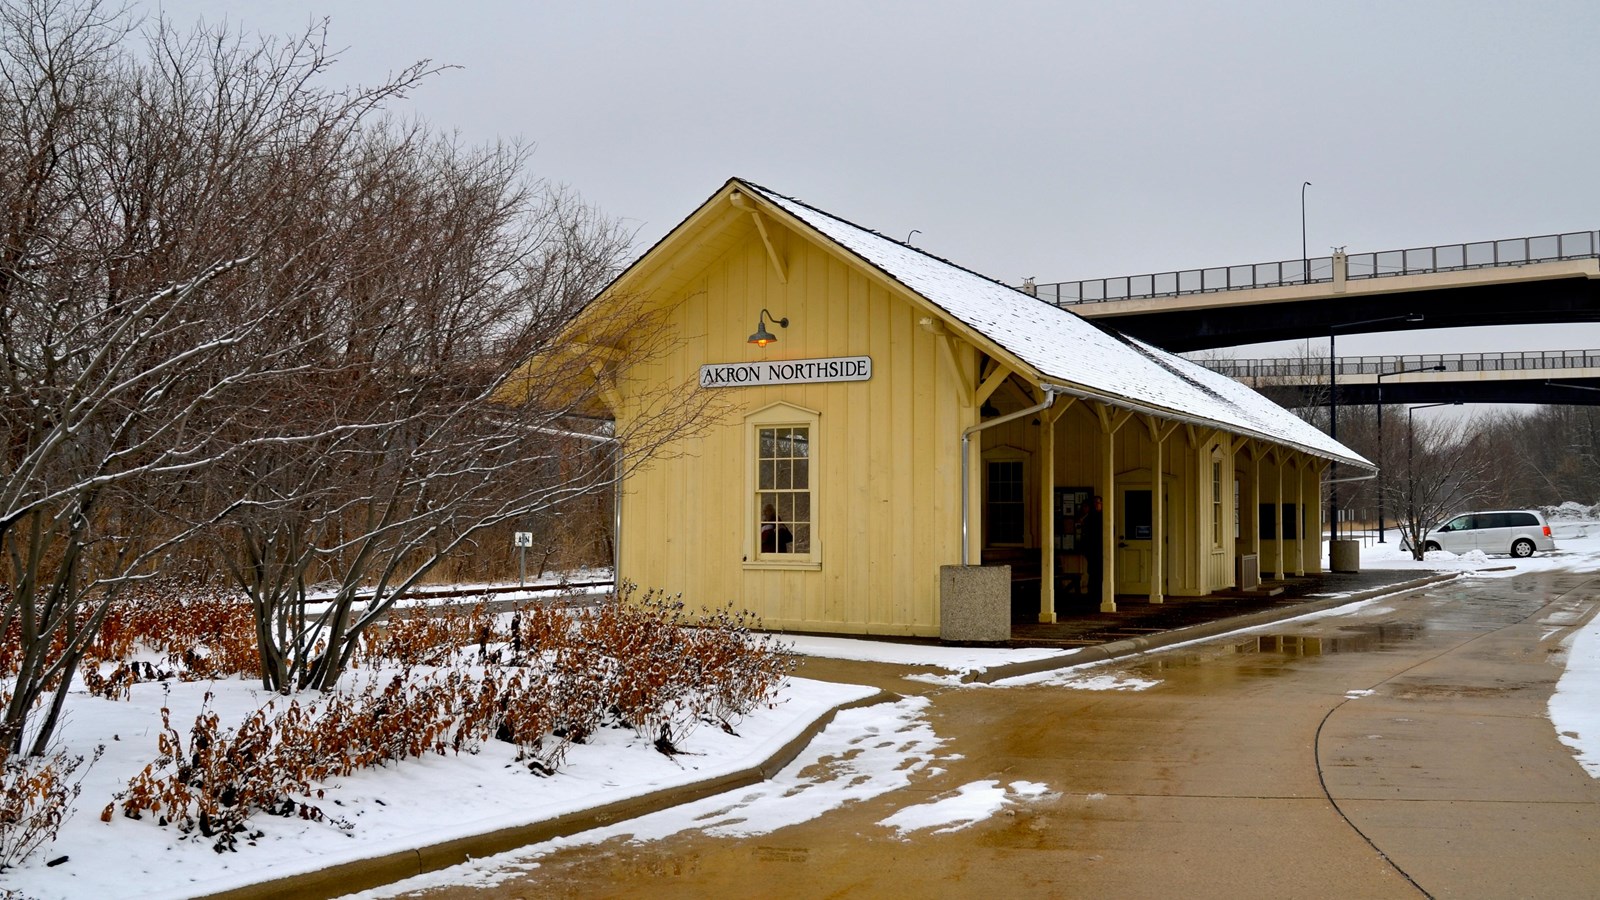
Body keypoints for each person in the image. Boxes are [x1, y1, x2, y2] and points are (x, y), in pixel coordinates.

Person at [1080, 495, 1103, 597]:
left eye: (1097, 503)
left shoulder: (1104, 517)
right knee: (1092, 571)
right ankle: (1093, 593)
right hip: (1091, 549)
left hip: (1100, 548)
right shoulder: (1089, 517)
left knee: (1100, 571)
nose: (1096, 505)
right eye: (1094, 503)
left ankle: (1099, 592)